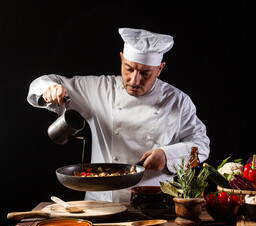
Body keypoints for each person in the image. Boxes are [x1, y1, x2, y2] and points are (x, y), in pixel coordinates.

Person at [27, 27, 210, 202]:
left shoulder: (178, 101)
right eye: (129, 69)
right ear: (121, 59)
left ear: (160, 68)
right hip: (102, 202)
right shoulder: (99, 90)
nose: (134, 80)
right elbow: (43, 82)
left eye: (145, 73)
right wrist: (49, 89)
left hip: (156, 205)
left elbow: (201, 144)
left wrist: (168, 155)